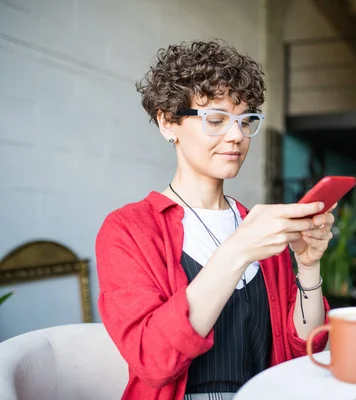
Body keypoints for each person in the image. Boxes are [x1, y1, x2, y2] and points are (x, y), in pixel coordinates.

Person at [95, 40, 335, 400]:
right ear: (167, 122)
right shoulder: (129, 230)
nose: (237, 136)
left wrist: (308, 266)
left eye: (245, 120)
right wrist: (237, 251)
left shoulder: (256, 226)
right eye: (216, 119)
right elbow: (153, 361)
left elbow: (305, 347)